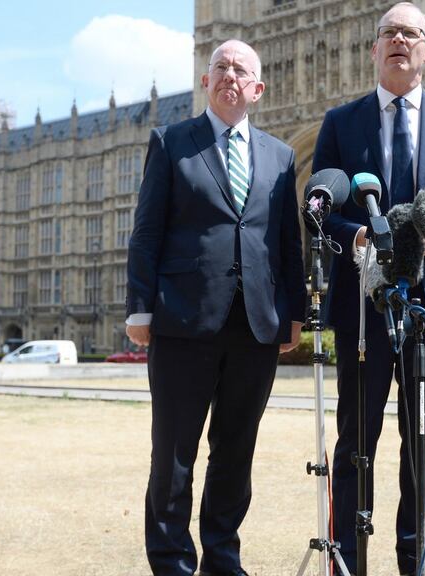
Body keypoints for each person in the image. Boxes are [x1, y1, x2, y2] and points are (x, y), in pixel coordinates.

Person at [311, 3, 425, 573]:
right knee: (354, 445)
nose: (398, 40)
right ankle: (350, 561)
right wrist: (362, 235)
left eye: (411, 33)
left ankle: (416, 561)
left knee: (424, 449)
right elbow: (323, 209)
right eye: (388, 33)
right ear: (373, 49)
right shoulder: (342, 123)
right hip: (364, 310)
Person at [125, 38, 306, 575]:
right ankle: (174, 562)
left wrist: (292, 311)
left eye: (241, 69)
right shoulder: (171, 140)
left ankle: (223, 560)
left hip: (255, 323)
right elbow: (147, 231)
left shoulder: (280, 155)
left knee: (235, 454)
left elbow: (287, 241)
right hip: (184, 318)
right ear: (206, 80)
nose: (230, 75)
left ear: (257, 87)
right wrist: (140, 308)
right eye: (221, 66)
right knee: (174, 455)